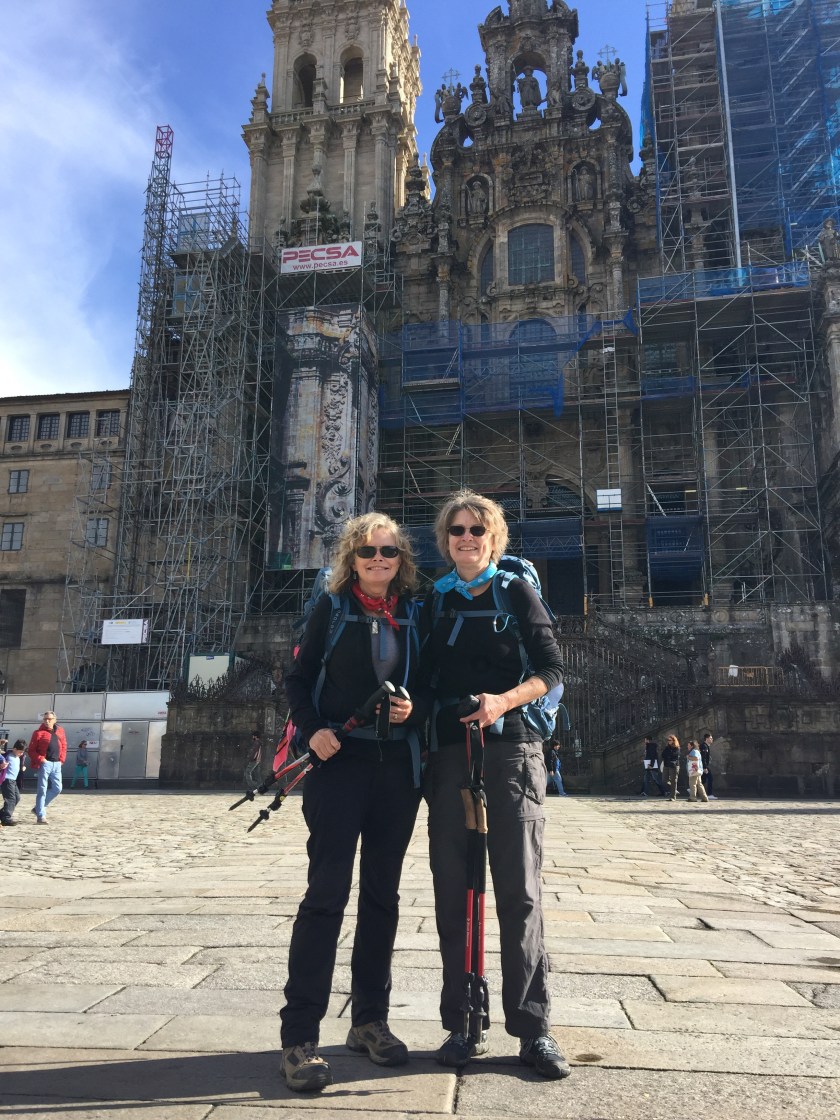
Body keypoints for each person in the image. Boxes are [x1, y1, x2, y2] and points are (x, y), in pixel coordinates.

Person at [422, 489, 570, 1080]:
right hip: (450, 755)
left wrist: (503, 701)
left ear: (493, 538)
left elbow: (552, 667)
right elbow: (420, 675)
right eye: (457, 530)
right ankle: (462, 1022)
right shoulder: (434, 599)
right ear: (445, 539)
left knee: (520, 891)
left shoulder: (515, 590)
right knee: (453, 890)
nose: (467, 538)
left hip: (512, 752)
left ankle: (533, 1028)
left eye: (477, 530)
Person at [280, 512, 427, 1092]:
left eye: (388, 551)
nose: (378, 559)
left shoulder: (414, 611)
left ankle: (369, 1021)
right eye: (367, 552)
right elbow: (298, 678)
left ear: (401, 558)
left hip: (395, 769)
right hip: (339, 763)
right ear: (352, 557)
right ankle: (299, 1038)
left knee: (382, 898)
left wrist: (414, 708)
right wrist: (312, 729)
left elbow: (431, 684)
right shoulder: (332, 607)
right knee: (326, 896)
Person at [28, 711, 67, 824]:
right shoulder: (38, 733)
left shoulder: (60, 731)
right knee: (42, 790)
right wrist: (41, 759)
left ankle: (37, 808)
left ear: (55, 720)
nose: (47, 721)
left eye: (49, 719)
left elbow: (64, 745)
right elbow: (31, 751)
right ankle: (41, 816)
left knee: (57, 788)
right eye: (45, 719)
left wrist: (61, 760)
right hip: (45, 764)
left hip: (57, 764)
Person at [0, 739, 24, 826]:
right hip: (7, 779)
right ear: (14, 749)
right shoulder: (8, 756)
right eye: (20, 752)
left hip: (13, 780)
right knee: (10, 799)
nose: (21, 754)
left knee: (17, 798)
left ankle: (2, 814)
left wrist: (22, 767)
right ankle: (6, 818)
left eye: (22, 752)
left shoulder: (18, 757)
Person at [660, 734, 680, 801]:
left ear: (673, 740)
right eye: (668, 740)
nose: (668, 741)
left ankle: (673, 796)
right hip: (666, 765)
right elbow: (663, 754)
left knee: (673, 781)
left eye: (670, 740)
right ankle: (674, 789)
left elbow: (675, 756)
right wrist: (668, 756)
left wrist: (668, 756)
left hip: (673, 765)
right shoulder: (667, 747)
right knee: (664, 780)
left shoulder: (677, 748)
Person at [700, 731, 716, 798]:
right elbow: (703, 757)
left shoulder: (706, 746)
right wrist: (705, 767)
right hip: (704, 766)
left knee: (702, 779)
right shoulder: (704, 746)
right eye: (710, 738)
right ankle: (709, 794)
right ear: (707, 739)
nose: (712, 739)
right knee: (710, 778)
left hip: (704, 765)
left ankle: (693, 789)